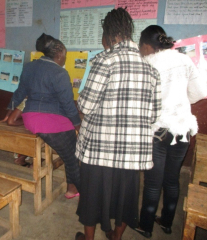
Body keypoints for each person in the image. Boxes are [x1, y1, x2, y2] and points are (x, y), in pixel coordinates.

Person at [75, 8, 161, 240]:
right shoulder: (151, 70)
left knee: (92, 197)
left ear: (109, 35)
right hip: (132, 153)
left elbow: (86, 104)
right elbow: (154, 115)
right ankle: (116, 236)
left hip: (99, 149)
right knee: (126, 199)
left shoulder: (105, 60)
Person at [134, 25, 207, 238]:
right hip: (183, 130)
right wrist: (180, 104)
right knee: (172, 179)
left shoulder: (147, 64)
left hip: (159, 132)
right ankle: (166, 222)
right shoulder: (184, 59)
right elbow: (200, 92)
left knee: (153, 183)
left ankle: (145, 226)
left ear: (146, 45)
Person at [7, 33, 81, 198]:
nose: (65, 59)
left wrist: (9, 110)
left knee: (68, 150)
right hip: (49, 122)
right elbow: (68, 104)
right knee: (74, 153)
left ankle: (72, 186)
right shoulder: (60, 73)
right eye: (65, 56)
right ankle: (73, 189)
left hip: (30, 119)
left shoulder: (29, 67)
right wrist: (77, 125)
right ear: (59, 55)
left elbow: (20, 92)